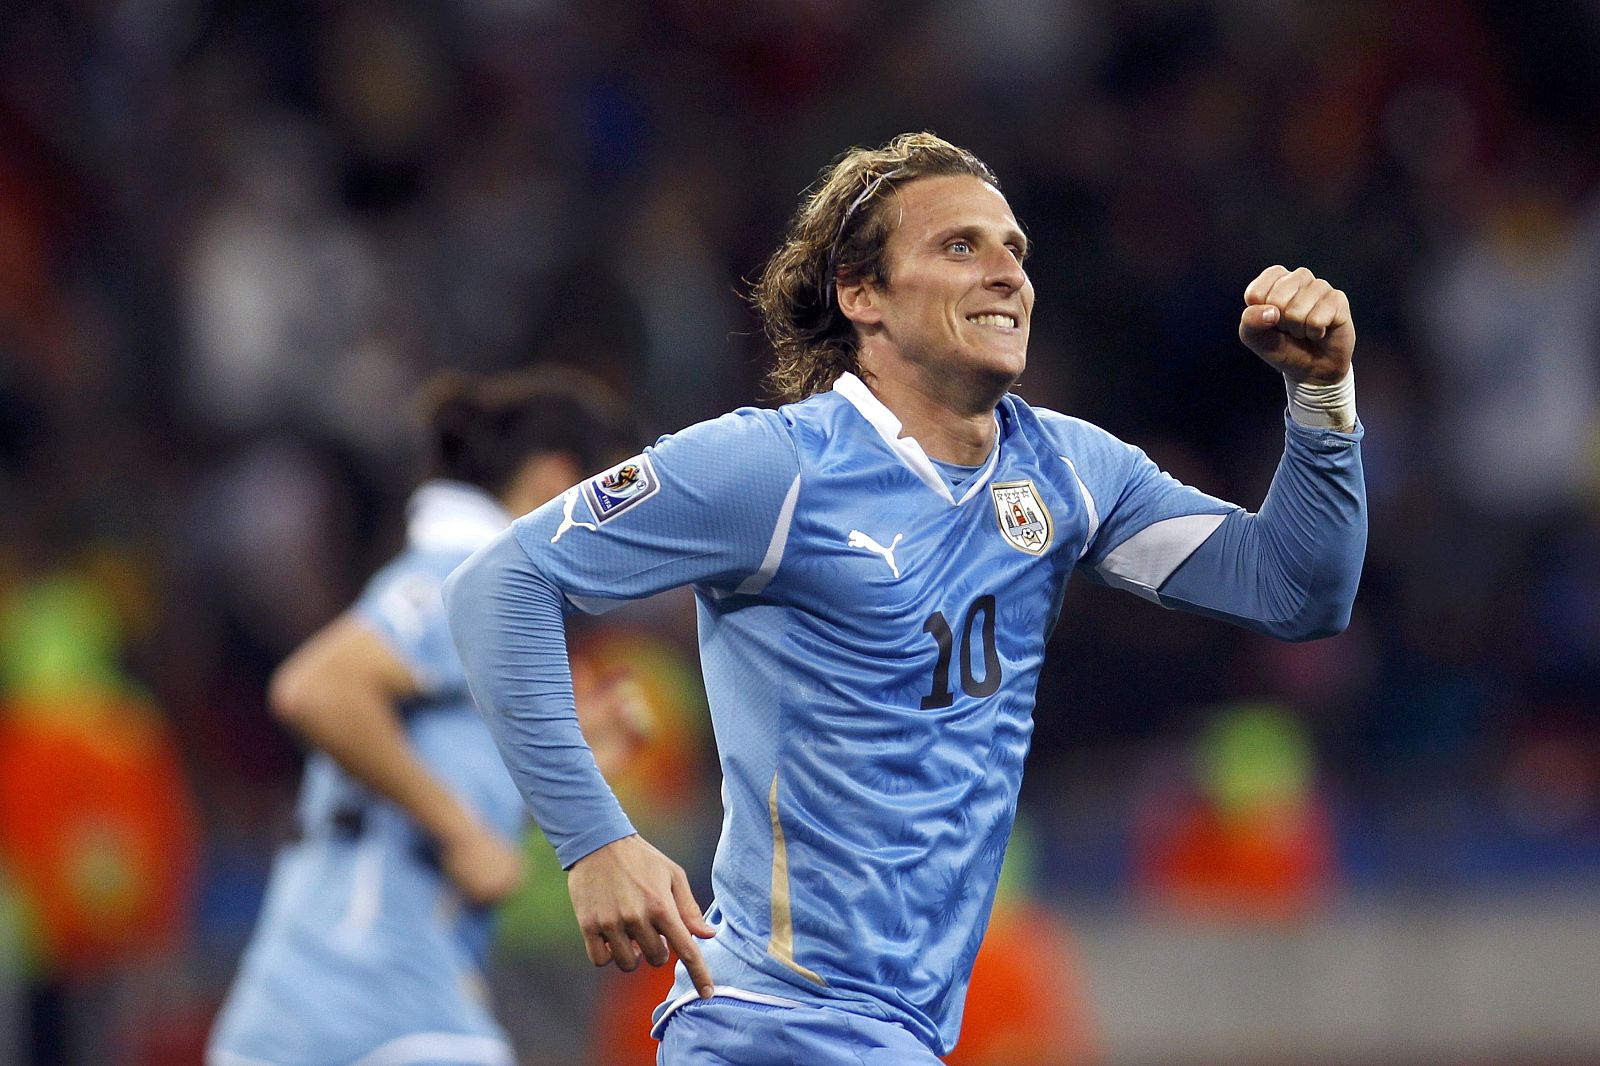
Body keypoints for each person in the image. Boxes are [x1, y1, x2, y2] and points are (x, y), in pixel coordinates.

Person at [443, 132, 1366, 1064]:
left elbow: (1292, 590)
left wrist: (1321, 395)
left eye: (1014, 249)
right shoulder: (774, 468)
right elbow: (499, 584)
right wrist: (595, 840)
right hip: (775, 1024)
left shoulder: (1069, 473)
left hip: (899, 1037)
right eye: (959, 247)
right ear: (862, 294)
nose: (1006, 272)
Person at [207, 368, 643, 1066]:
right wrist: (461, 832)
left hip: (316, 997)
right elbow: (316, 687)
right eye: (617, 495)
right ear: (556, 478)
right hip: (374, 990)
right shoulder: (470, 576)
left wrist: (569, 767)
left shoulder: (476, 587)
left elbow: (441, 768)